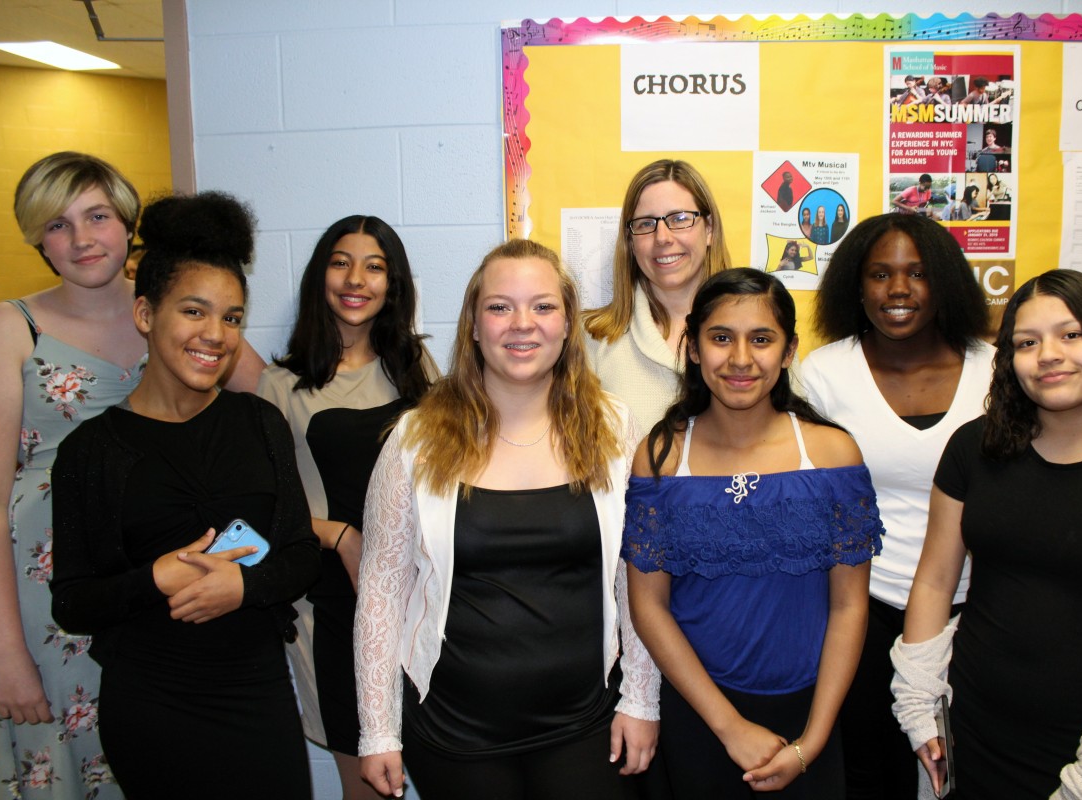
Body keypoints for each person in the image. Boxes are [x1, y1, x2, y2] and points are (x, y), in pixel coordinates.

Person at [0, 152, 262, 799]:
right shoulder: (11, 328)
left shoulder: (173, 312)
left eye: (97, 216)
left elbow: (263, 403)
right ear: (37, 240)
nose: (81, 239)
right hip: (52, 591)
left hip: (160, 578)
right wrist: (4, 654)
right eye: (57, 225)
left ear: (128, 223)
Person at [356, 238, 660, 800]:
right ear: (473, 325)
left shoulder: (616, 429)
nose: (523, 324)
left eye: (543, 306)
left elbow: (637, 574)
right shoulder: (415, 439)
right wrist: (378, 731)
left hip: (585, 721)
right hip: (453, 733)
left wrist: (641, 697)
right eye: (500, 307)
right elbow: (381, 588)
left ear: (568, 323)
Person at [48, 191, 319, 799]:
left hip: (257, 696)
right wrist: (155, 578)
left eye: (231, 317)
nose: (215, 335)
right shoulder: (92, 453)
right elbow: (73, 603)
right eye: (194, 311)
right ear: (146, 314)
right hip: (153, 705)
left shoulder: (259, 423)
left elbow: (300, 553)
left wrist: (243, 587)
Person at [894, 269, 1082, 800]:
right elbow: (935, 582)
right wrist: (919, 705)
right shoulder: (975, 447)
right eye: (1027, 343)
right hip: (973, 724)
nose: (1048, 354)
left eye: (1071, 334)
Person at [625, 267, 883, 798]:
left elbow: (849, 607)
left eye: (761, 339)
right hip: (699, 711)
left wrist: (810, 741)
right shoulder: (662, 457)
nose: (740, 359)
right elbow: (649, 606)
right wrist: (729, 726)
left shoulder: (832, 455)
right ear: (693, 348)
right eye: (720, 338)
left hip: (812, 712)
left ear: (788, 352)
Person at [800, 213, 992, 800]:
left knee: (977, 771)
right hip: (868, 601)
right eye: (880, 274)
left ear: (946, 284)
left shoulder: (996, 369)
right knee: (871, 774)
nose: (899, 290)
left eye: (918, 273)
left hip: (981, 606)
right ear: (857, 288)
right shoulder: (825, 373)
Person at [257, 215, 435, 800]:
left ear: (394, 284)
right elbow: (265, 509)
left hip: (421, 602)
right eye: (341, 261)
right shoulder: (281, 385)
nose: (355, 278)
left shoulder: (418, 373)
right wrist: (339, 535)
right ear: (320, 276)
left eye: (375, 265)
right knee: (369, 782)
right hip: (331, 608)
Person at [585, 159, 731, 431]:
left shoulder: (763, 328)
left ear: (709, 229)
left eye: (679, 219)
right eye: (645, 224)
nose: (662, 237)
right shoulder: (591, 340)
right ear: (630, 241)